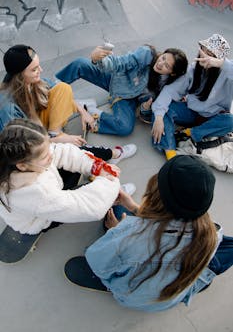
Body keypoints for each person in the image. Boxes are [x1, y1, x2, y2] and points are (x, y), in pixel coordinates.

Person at [64, 155, 233, 312]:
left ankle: (112, 286)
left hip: (137, 299)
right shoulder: (212, 233)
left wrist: (116, 230)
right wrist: (133, 208)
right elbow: (167, 228)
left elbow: (95, 260)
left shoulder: (128, 234)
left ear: (156, 196)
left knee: (115, 213)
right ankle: (202, 280)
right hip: (174, 295)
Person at [0, 44, 137, 164]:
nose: (40, 71)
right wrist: (56, 142)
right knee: (72, 150)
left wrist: (83, 113)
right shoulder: (8, 109)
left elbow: (59, 89)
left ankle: (55, 134)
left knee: (63, 88)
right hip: (30, 149)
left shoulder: (31, 82)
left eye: (39, 66)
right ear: (19, 75)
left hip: (42, 128)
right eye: (34, 69)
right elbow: (23, 149)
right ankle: (111, 154)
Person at [0, 118, 124, 235]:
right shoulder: (36, 193)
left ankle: (106, 187)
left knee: (75, 156)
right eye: (44, 156)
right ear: (22, 166)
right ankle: (112, 196)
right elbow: (92, 207)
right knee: (81, 199)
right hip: (39, 219)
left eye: (49, 145)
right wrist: (110, 181)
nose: (51, 154)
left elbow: (62, 152)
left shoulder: (25, 157)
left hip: (47, 184)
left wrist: (97, 167)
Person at [55, 44, 188, 136]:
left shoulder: (166, 87)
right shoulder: (147, 55)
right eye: (163, 58)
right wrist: (100, 60)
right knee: (80, 64)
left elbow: (143, 114)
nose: (160, 64)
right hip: (116, 79)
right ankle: (51, 88)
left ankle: (91, 111)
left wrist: (145, 108)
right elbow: (121, 62)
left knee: (125, 127)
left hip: (126, 99)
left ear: (172, 73)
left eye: (166, 65)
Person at [151, 34, 233, 160]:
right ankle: (171, 154)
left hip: (214, 117)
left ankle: (190, 133)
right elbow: (170, 91)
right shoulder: (193, 69)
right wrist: (158, 117)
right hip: (191, 112)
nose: (206, 57)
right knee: (162, 110)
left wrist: (220, 64)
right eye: (204, 51)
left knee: (230, 121)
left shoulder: (227, 74)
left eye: (212, 54)